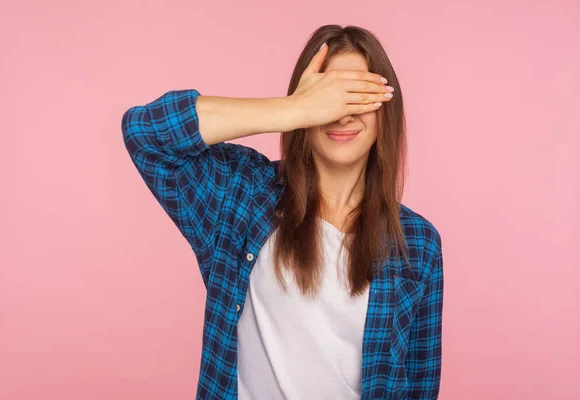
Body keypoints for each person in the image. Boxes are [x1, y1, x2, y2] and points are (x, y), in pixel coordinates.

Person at [122, 24, 443, 400]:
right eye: (330, 97)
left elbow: (420, 385)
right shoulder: (242, 194)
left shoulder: (419, 243)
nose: (342, 115)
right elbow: (146, 132)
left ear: (386, 109)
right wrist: (294, 109)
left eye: (357, 97)